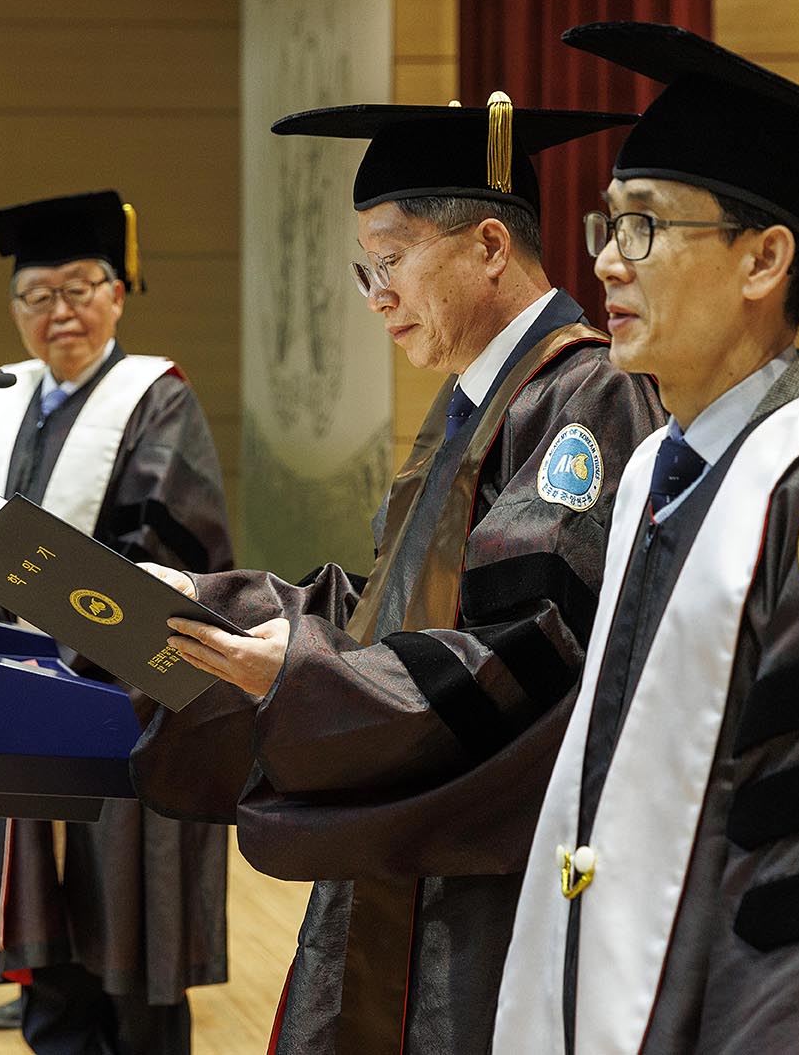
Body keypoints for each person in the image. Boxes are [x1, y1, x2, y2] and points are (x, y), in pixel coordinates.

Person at [131, 98, 666, 1054]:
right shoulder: (475, 402)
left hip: (483, 867)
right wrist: (210, 608)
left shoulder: (588, 393)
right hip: (412, 850)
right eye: (365, 270)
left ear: (489, 246)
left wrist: (308, 675)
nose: (375, 295)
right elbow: (393, 610)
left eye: (390, 260)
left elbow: (533, 642)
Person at [492, 22, 799, 1054]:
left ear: (763, 259)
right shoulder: (653, 478)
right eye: (607, 224)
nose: (605, 262)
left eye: (643, 227)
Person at [0, 190, 234, 1055]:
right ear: (15, 309)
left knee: (125, 935)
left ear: (117, 294)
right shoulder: (0, 400)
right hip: (20, 698)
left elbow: (169, 551)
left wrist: (57, 647)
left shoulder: (156, 401)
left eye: (77, 289)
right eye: (37, 295)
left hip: (121, 702)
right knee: (48, 947)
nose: (58, 311)